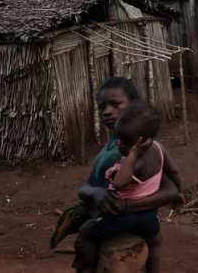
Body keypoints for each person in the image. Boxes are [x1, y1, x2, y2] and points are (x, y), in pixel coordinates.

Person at [50, 77, 181, 272]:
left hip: (123, 239)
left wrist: (126, 205)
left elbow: (171, 191)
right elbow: (86, 187)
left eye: (115, 104)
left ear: (134, 106)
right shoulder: (109, 149)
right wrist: (95, 193)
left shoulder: (141, 152)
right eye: (102, 107)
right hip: (103, 227)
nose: (107, 111)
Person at [78, 101, 183, 273]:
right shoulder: (159, 149)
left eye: (126, 141)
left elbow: (119, 184)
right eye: (118, 138)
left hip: (121, 216)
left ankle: (90, 264)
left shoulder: (130, 160)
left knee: (85, 232)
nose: (120, 144)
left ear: (144, 142)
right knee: (156, 244)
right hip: (148, 217)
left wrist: (132, 155)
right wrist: (180, 192)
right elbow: (175, 172)